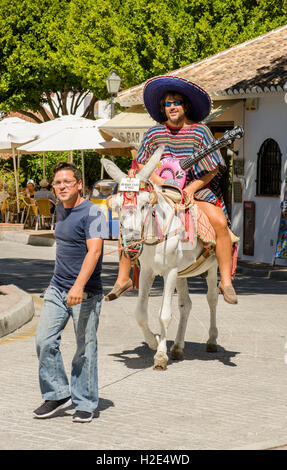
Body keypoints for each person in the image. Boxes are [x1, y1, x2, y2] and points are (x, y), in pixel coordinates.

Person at [105, 75, 237, 305]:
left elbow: (213, 168)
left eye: (176, 102)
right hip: (158, 190)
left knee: (219, 222)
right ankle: (123, 278)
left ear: (185, 106)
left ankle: (225, 281)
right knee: (129, 217)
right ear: (163, 108)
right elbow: (141, 164)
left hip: (195, 190)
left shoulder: (200, 132)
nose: (172, 107)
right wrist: (159, 182)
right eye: (168, 103)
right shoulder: (154, 134)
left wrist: (190, 188)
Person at [33, 161, 108, 423]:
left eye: (67, 182)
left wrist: (78, 285)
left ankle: (85, 401)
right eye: (58, 183)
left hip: (85, 292)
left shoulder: (96, 213)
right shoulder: (60, 210)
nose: (62, 186)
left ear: (79, 185)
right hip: (57, 288)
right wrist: (61, 283)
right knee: (44, 340)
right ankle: (57, 393)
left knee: (84, 348)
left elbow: (95, 251)